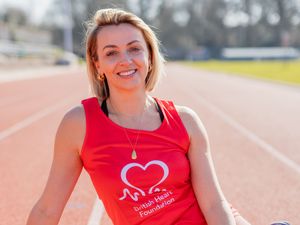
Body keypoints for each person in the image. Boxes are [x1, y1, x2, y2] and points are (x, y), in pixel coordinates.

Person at [26, 8, 252, 225]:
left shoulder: (185, 121)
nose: (125, 60)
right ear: (97, 65)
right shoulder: (79, 125)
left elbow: (214, 204)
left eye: (134, 49)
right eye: (111, 52)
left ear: (150, 56)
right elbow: (47, 210)